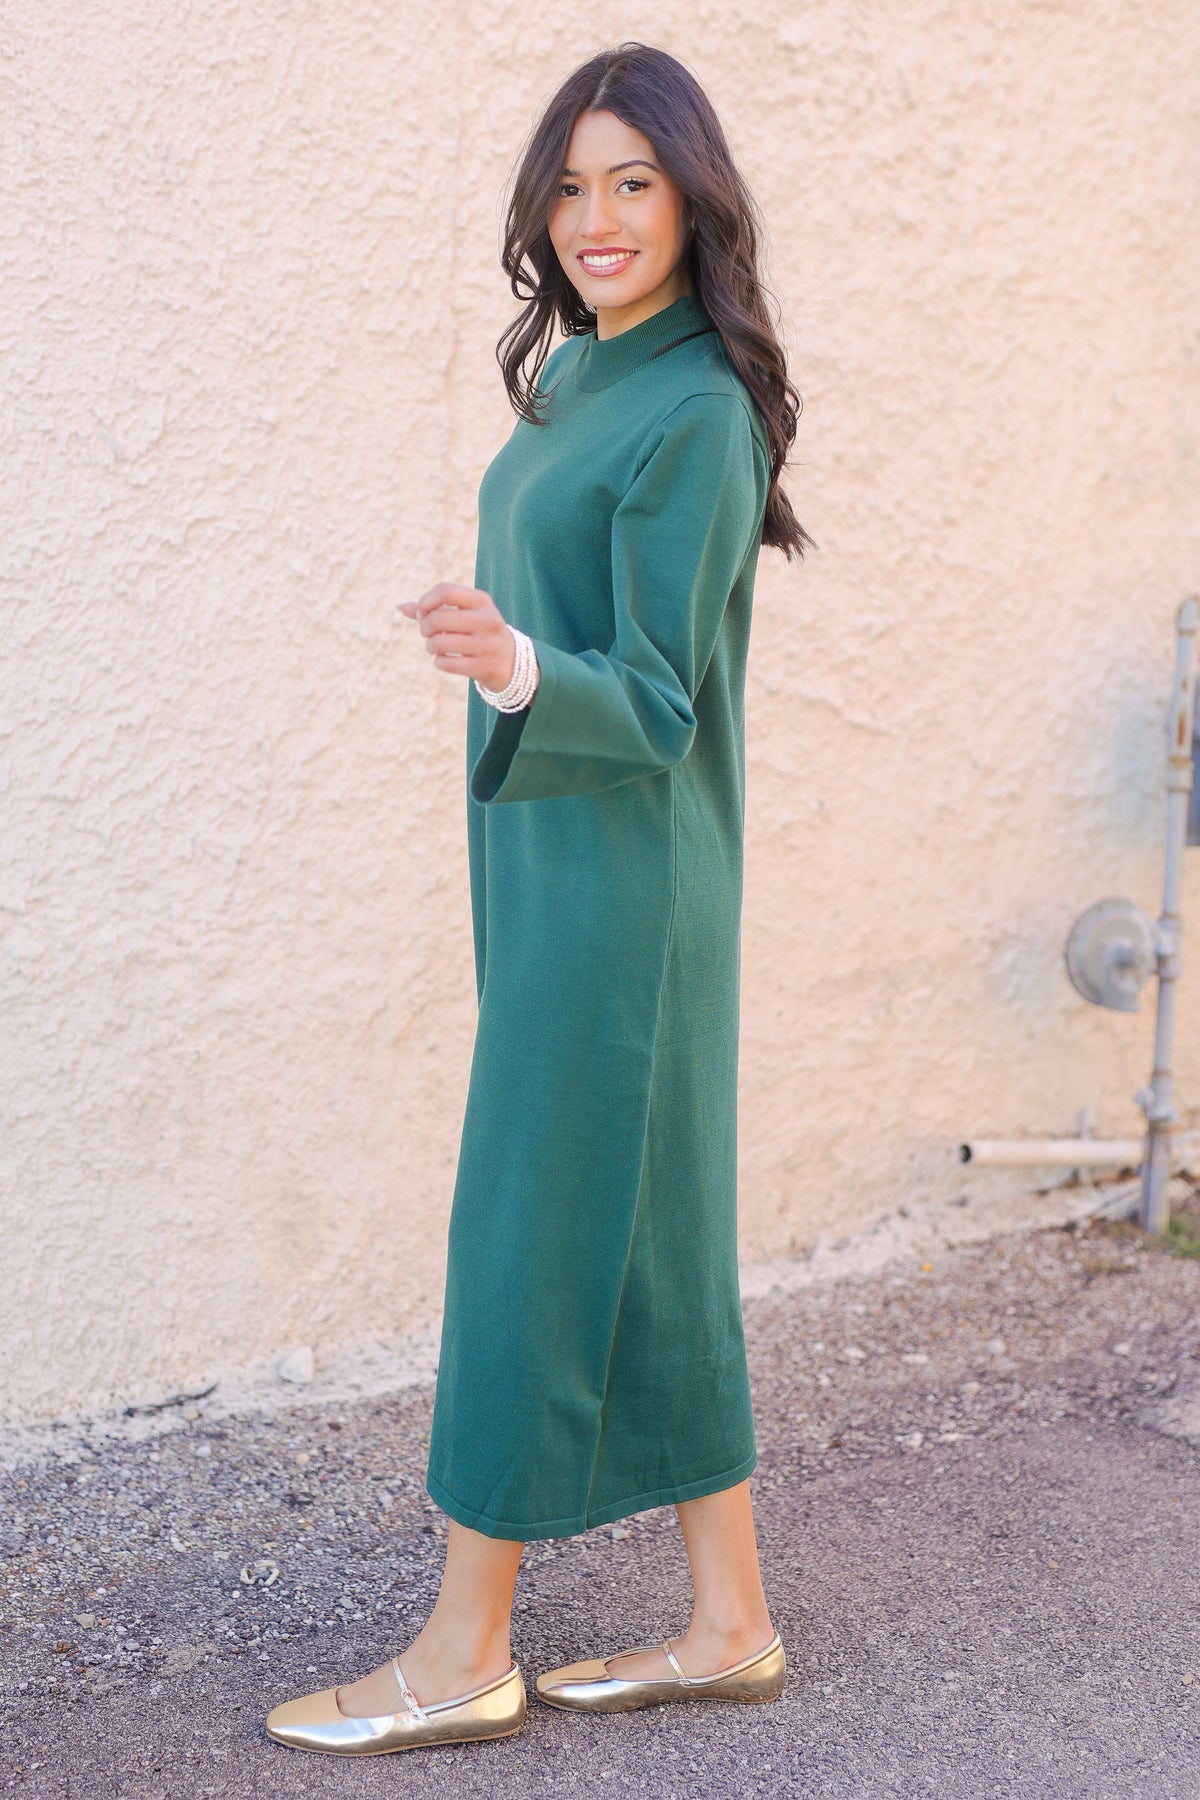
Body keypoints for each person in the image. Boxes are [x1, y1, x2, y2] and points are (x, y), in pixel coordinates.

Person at [266, 39, 812, 1757]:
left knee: (523, 1231)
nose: (595, 217)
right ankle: (729, 1621)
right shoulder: (587, 376)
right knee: (647, 1241)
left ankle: (463, 1646)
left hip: (626, 896)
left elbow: (654, 699)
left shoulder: (701, 411)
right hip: (555, 871)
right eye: (571, 186)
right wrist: (512, 665)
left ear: (692, 197)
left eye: (632, 182)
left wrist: (511, 664)